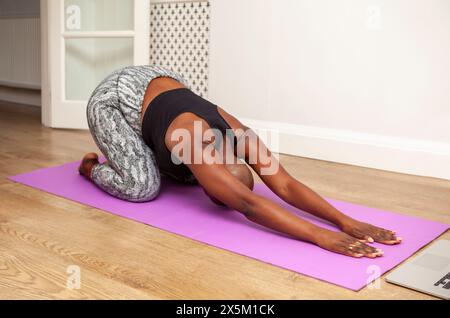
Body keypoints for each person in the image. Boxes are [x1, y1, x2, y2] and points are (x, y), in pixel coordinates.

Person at [79, 65, 402, 259]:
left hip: (161, 79)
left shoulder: (240, 135)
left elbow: (285, 184)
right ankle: (92, 168)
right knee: (142, 187)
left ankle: (145, 153)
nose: (210, 196)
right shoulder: (190, 140)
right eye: (218, 193)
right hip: (116, 97)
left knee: (181, 170)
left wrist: (344, 220)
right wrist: (319, 235)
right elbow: (248, 205)